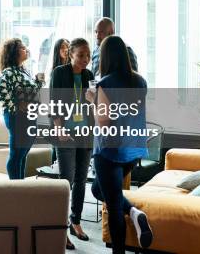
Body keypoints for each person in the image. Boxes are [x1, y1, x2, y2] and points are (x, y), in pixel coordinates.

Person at [85, 35, 152, 253]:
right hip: (131, 152)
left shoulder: (104, 84)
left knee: (113, 206)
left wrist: (92, 101)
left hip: (109, 152)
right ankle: (134, 212)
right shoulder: (140, 82)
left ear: (104, 57)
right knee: (98, 189)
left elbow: (103, 122)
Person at [50, 38, 94, 250]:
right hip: (65, 132)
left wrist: (93, 99)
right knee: (65, 181)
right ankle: (62, 229)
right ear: (71, 55)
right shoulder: (59, 72)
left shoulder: (89, 76)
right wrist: (58, 127)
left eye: (88, 55)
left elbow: (94, 107)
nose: (85, 59)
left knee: (81, 179)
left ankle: (76, 221)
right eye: (81, 55)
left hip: (85, 133)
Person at [0, 38, 45, 180]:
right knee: (17, 155)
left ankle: (21, 187)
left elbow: (32, 92)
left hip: (28, 116)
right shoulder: (10, 72)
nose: (26, 49)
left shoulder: (23, 70)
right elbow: (0, 90)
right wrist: (15, 107)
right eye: (22, 48)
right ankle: (15, 188)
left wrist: (37, 82)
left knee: (22, 154)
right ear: (14, 52)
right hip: (17, 117)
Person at [49, 38, 70, 164]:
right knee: (57, 150)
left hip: (71, 116)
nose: (66, 49)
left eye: (68, 46)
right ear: (57, 50)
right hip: (58, 116)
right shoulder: (56, 71)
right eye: (62, 47)